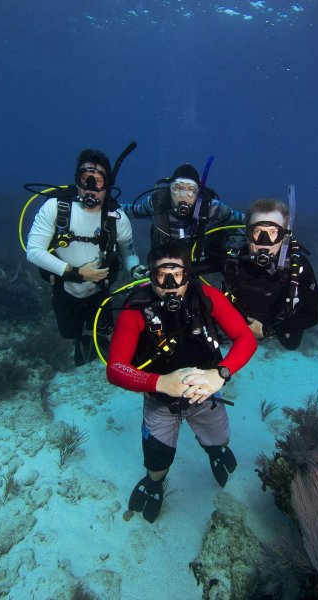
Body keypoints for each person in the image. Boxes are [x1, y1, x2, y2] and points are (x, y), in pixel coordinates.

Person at [107, 240, 257, 523]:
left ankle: (215, 452)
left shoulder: (209, 297)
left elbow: (246, 339)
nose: (171, 284)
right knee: (156, 458)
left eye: (178, 275)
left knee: (219, 438)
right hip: (160, 402)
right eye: (162, 276)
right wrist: (159, 383)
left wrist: (220, 374)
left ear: (189, 275)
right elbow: (115, 368)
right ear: (151, 277)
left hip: (205, 393)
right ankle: (154, 483)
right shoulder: (136, 308)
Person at [26, 148, 146, 366]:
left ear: (107, 184)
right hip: (64, 289)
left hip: (99, 291)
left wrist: (135, 269)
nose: (91, 187)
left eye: (97, 181)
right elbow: (34, 250)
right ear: (77, 181)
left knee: (103, 338)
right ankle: (78, 345)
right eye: (85, 179)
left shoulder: (117, 218)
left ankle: (94, 348)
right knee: (69, 335)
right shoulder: (56, 208)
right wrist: (76, 272)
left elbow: (128, 252)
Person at [218, 198, 318, 350]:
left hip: (279, 321)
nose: (264, 242)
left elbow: (312, 315)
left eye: (273, 233)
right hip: (240, 321)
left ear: (284, 237)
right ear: (247, 234)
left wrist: (268, 331)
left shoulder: (298, 267)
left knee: (291, 344)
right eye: (257, 231)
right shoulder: (232, 259)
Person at [121, 163, 245, 262]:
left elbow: (244, 220)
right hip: (167, 262)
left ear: (199, 193)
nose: (183, 196)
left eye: (191, 190)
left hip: (205, 262)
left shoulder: (214, 209)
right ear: (169, 189)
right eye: (177, 188)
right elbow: (131, 211)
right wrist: (107, 207)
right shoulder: (156, 204)